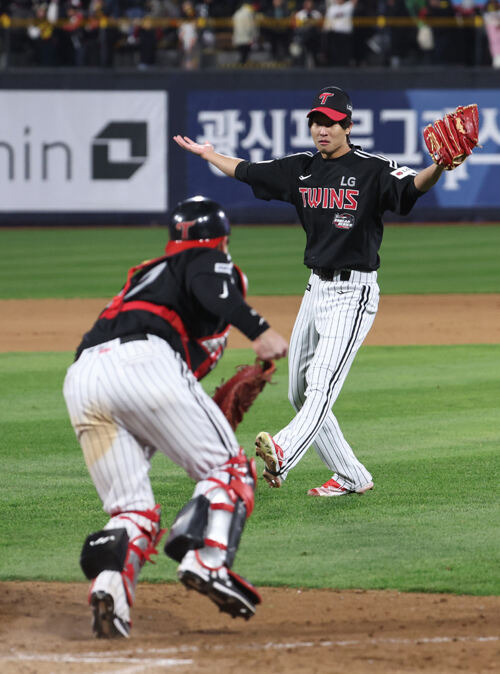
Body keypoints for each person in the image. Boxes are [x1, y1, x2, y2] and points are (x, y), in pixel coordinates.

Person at [173, 86, 445, 498]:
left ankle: (282, 451)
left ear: (348, 126)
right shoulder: (301, 168)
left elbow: (412, 189)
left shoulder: (373, 169)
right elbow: (249, 171)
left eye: (331, 123)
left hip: (353, 292)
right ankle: (352, 475)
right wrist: (211, 155)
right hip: (315, 287)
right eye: (316, 122)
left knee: (321, 382)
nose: (322, 129)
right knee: (299, 389)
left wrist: (439, 165)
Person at [63, 196, 288, 638]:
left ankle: (109, 591)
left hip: (84, 378)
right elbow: (211, 284)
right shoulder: (206, 257)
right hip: (145, 362)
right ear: (222, 239)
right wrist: (259, 331)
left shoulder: (149, 274)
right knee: (229, 471)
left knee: (133, 510)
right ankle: (207, 560)